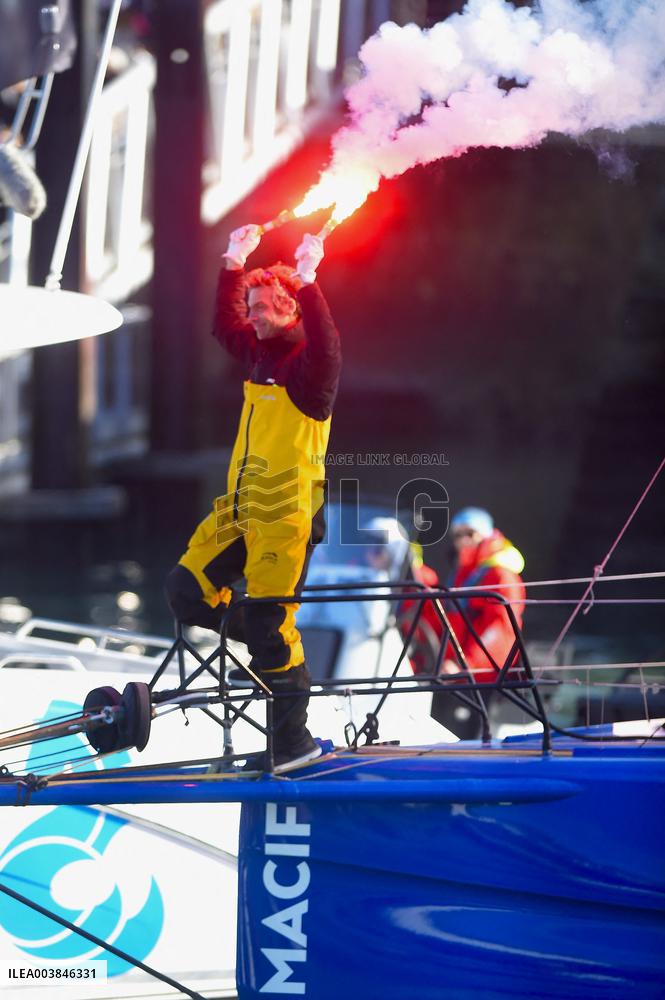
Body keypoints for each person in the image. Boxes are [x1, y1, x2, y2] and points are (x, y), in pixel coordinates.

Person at [165, 225, 341, 771]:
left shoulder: (311, 370)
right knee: (185, 591)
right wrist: (232, 262)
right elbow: (224, 326)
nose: (254, 316)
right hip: (241, 511)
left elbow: (329, 343)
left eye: (264, 307)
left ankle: (293, 744)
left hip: (285, 515)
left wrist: (309, 281)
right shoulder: (260, 354)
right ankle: (270, 649)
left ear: (291, 309)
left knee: (272, 626)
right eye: (253, 306)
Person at [399, 506, 526, 738]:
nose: (463, 540)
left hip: (479, 679)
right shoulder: (463, 573)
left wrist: (464, 664)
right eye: (457, 535)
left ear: (487, 535)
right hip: (452, 676)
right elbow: (444, 621)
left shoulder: (500, 576)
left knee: (463, 741)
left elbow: (500, 631)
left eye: (470, 533)